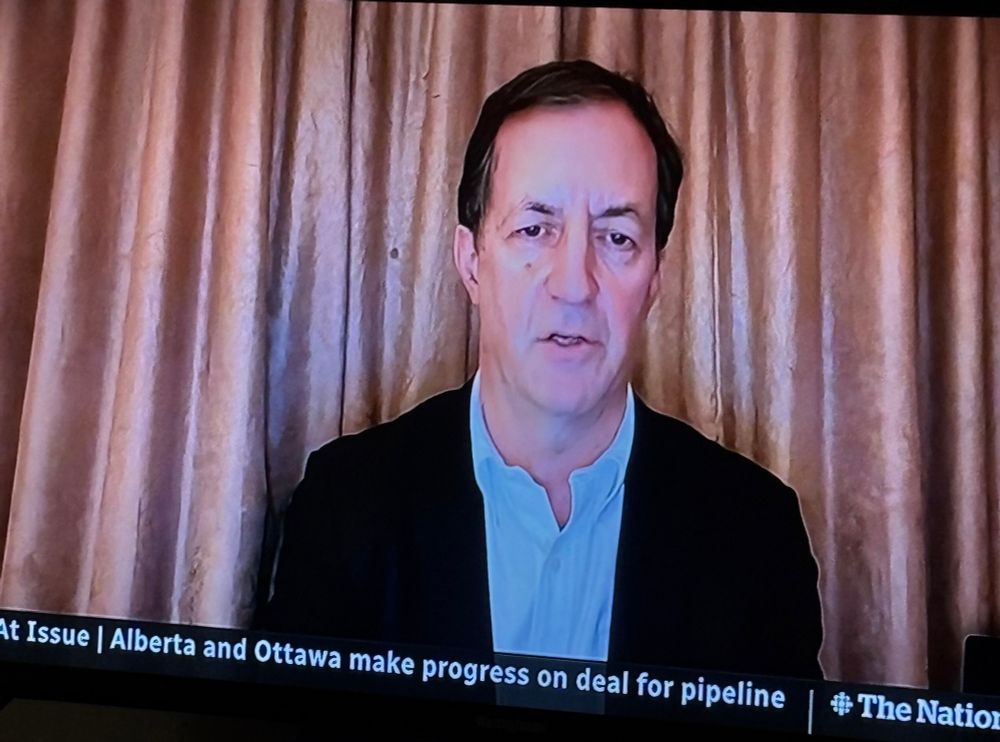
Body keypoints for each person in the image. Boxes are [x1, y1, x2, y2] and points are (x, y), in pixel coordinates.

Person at [257, 59, 824, 680]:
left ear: (655, 280)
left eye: (616, 238)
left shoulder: (756, 532)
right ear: (471, 262)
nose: (574, 284)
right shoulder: (345, 507)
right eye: (534, 228)